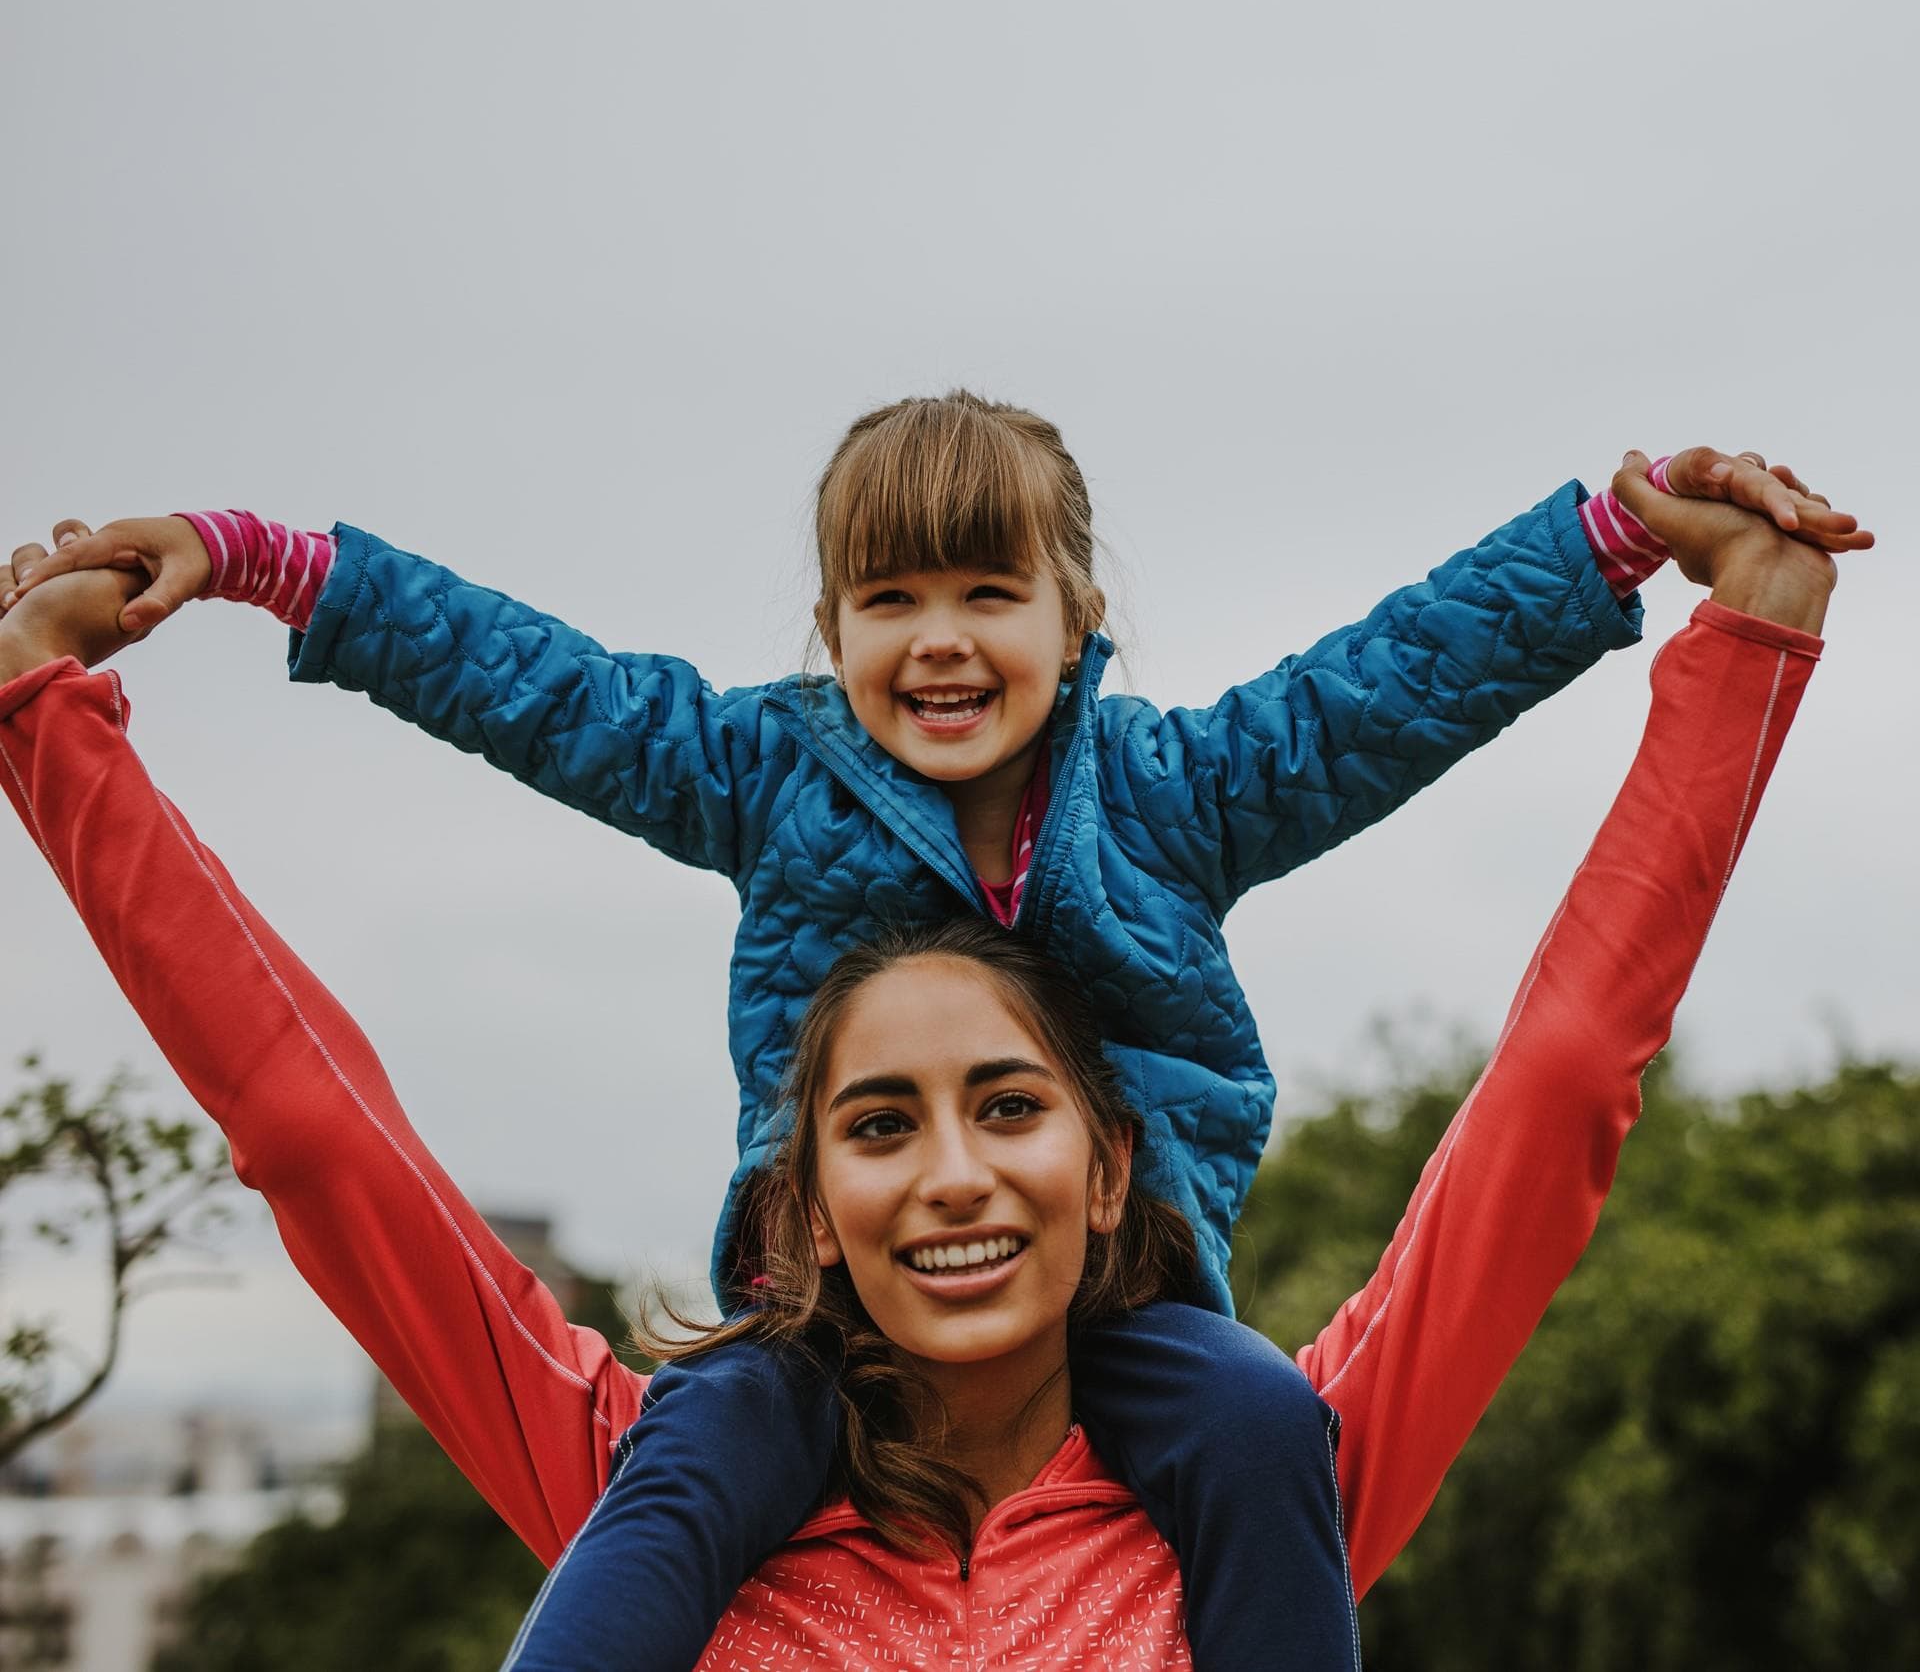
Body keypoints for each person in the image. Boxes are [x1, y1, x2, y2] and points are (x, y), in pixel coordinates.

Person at [2, 411, 1866, 1670]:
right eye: (880, 1123)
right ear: (809, 1179)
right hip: (787, 1369)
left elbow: (1534, 1033)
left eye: (1011, 1109)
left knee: (1253, 1409)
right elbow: (330, 1103)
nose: (958, 1173)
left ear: (1108, 1151)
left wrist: (1635, 556)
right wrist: (235, 578)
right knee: (709, 1436)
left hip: (1165, 1324)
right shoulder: (673, 1484)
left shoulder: (1254, 1473)